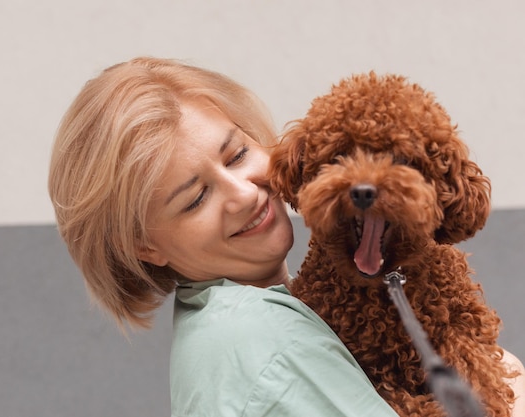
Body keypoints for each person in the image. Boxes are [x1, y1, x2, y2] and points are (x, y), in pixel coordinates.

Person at [47, 57, 522, 416]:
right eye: (194, 199)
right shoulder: (261, 341)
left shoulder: (245, 317)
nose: (244, 194)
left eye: (236, 156)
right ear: (144, 246)